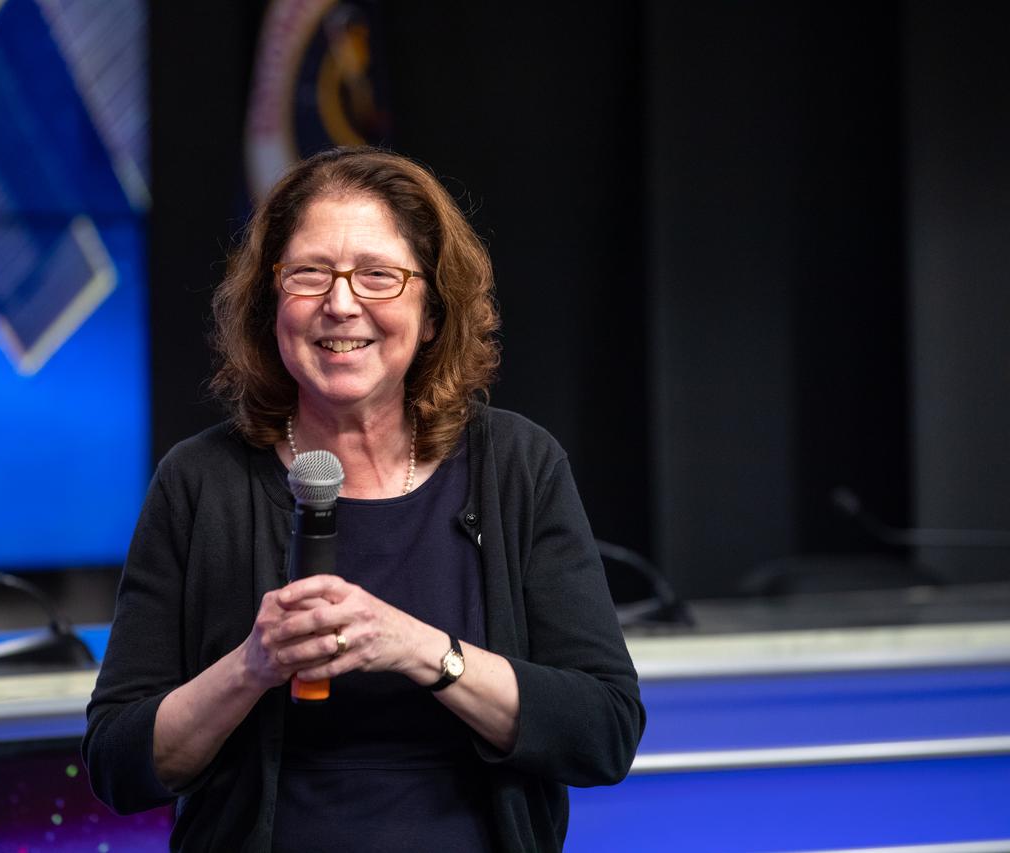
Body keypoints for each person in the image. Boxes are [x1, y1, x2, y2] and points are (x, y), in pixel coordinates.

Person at [83, 147, 645, 851]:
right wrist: (249, 667)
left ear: (433, 312)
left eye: (378, 276)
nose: (341, 302)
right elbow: (116, 762)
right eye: (310, 273)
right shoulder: (199, 481)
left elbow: (603, 731)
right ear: (271, 303)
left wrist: (421, 649)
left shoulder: (518, 466)